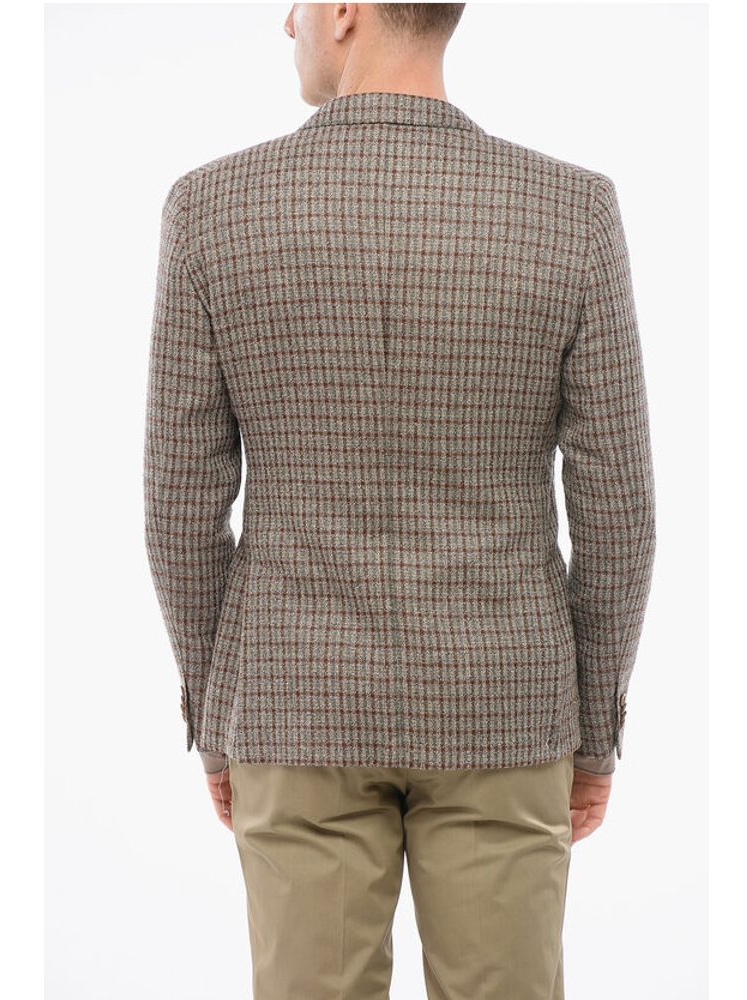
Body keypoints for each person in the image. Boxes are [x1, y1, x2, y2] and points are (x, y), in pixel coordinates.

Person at [143, 4, 656, 997]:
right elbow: (619, 514)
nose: (285, 20)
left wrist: (220, 713)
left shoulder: (212, 209)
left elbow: (178, 507)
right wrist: (593, 733)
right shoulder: (570, 211)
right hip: (504, 706)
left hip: (295, 703)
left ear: (344, 12)